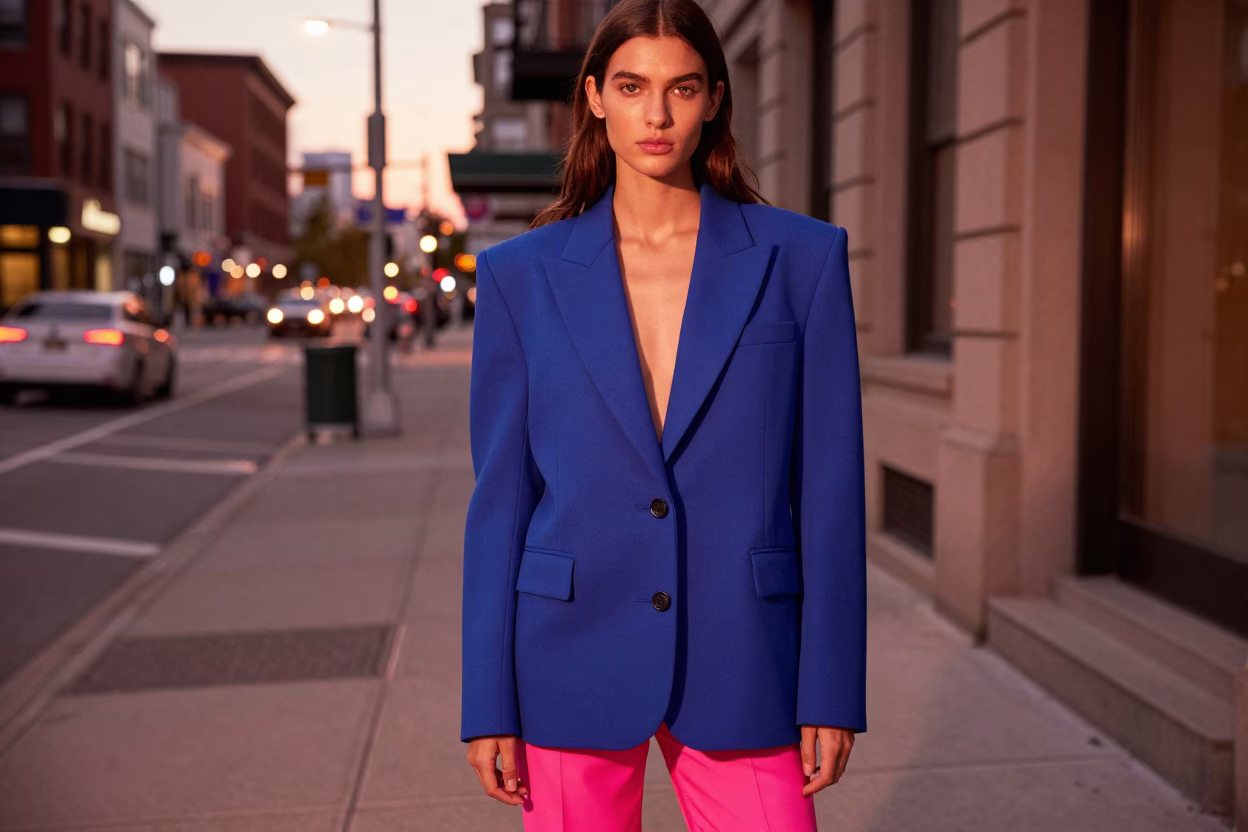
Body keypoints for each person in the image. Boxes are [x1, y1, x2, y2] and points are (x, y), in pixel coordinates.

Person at [461, 0, 866, 828]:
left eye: (681, 88)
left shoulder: (803, 259)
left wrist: (832, 685)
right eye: (632, 86)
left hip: (744, 651)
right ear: (594, 98)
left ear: (715, 98)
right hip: (566, 648)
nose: (656, 114)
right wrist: (487, 701)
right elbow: (500, 499)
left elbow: (830, 492)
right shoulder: (519, 275)